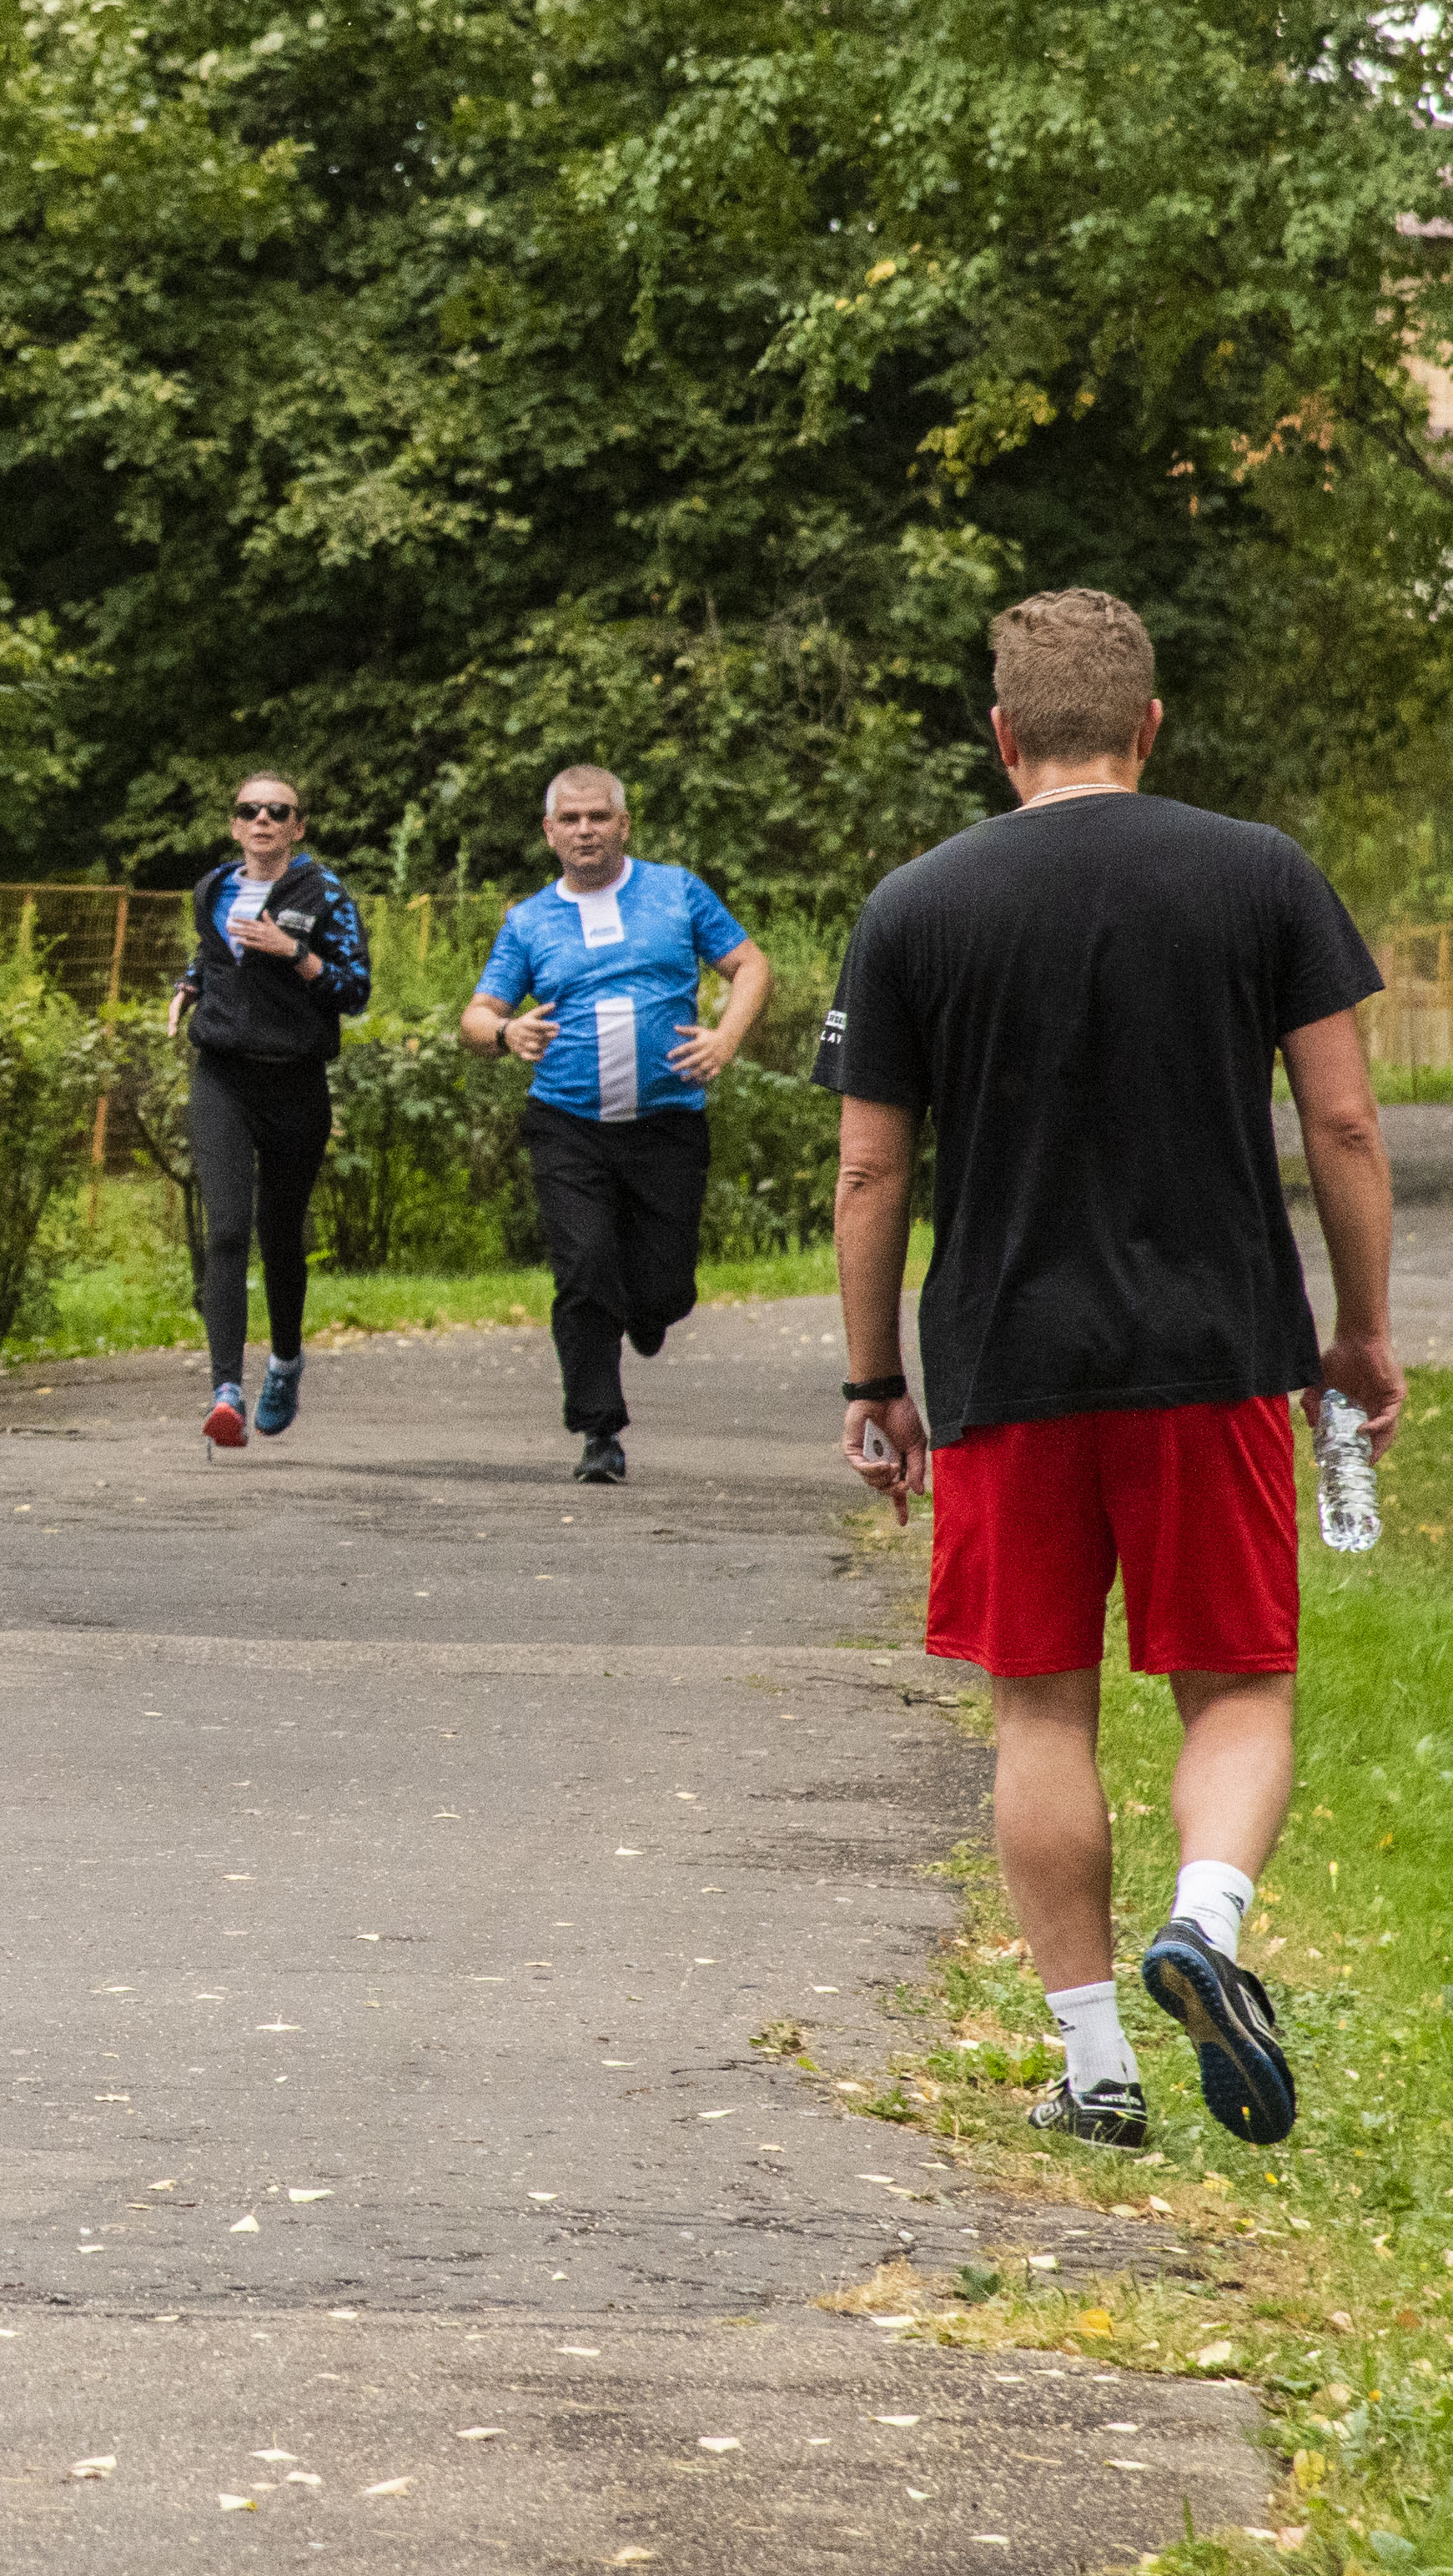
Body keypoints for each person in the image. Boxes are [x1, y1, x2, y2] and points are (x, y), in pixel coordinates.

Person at [826, 590, 1394, 2156]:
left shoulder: (916, 906)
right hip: (1212, 1354)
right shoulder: (1261, 875)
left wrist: (875, 1376)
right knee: (1238, 1682)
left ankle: (1096, 2066)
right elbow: (1343, 1124)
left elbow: (872, 1175)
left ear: (1002, 736)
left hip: (1007, 1360)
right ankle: (1204, 1926)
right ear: (1151, 727)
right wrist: (1358, 1330)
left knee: (1040, 1710)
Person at [457, 766, 767, 1485]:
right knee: (584, 1268)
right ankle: (599, 1431)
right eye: (570, 819)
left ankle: (650, 1307)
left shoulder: (677, 892)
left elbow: (749, 966)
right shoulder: (529, 920)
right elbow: (475, 1016)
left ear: (623, 825)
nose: (585, 830)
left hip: (667, 1123)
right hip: (568, 1126)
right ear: (549, 832)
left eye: (599, 816)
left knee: (665, 1292)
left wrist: (725, 1038)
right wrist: (504, 1034)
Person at [167, 769, 374, 1446]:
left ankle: (285, 1361)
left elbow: (355, 990)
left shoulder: (326, 895)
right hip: (222, 1077)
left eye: (276, 811)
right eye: (249, 810)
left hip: (295, 1081)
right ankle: (225, 1390)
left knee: (280, 1234)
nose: (262, 820)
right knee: (226, 1230)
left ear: (297, 827)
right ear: (234, 825)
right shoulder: (213, 887)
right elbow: (212, 955)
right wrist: (189, 986)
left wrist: (296, 955)